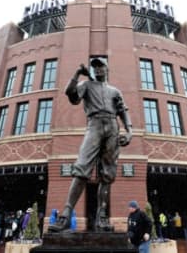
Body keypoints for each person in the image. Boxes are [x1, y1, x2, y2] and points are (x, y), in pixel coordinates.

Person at [48, 58, 133, 232]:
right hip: (94, 125)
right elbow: (70, 94)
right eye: (95, 67)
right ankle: (65, 216)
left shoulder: (115, 91)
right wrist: (77, 74)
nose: (98, 69)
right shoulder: (86, 85)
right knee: (81, 168)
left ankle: (102, 218)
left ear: (106, 69)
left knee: (107, 174)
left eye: (101, 66)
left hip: (112, 127)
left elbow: (123, 110)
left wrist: (129, 130)